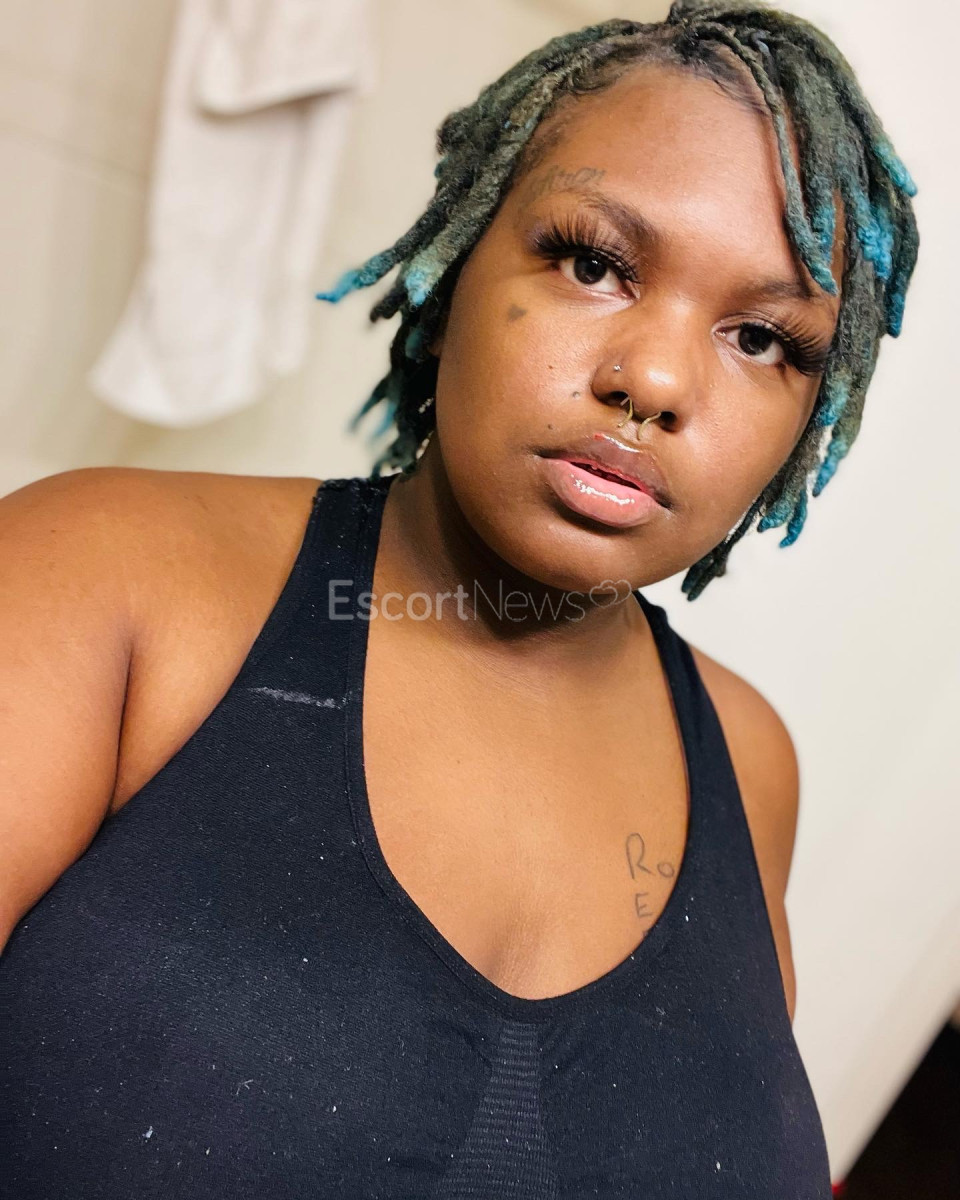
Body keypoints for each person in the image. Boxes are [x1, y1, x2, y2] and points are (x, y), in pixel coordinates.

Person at [0, 1, 919, 1196]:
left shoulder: (751, 768)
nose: (653, 379)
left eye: (760, 339)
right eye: (593, 264)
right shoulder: (100, 574)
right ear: (458, 263)